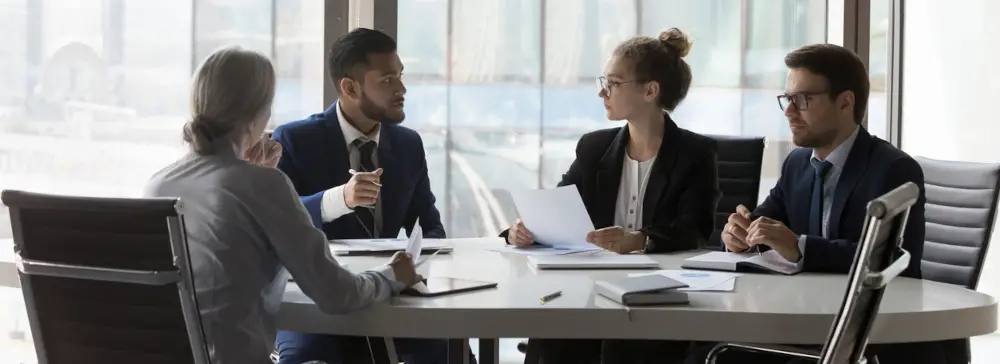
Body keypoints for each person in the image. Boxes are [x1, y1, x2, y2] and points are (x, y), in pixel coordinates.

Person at [144, 46, 421, 364]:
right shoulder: (261, 185)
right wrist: (392, 275)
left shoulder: (158, 184)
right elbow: (336, 295)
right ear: (258, 112)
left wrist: (255, 174)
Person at [685, 44, 943, 364]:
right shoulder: (797, 163)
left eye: (802, 99)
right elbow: (765, 220)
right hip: (803, 322)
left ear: (845, 102)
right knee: (697, 353)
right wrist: (740, 234)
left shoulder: (894, 169)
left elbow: (892, 258)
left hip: (866, 338)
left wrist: (800, 247)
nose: (788, 111)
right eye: (787, 99)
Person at [504, 28, 720, 364]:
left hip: (660, 295)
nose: (602, 92)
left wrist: (639, 239)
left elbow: (695, 229)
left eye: (614, 83)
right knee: (553, 333)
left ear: (650, 91)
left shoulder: (696, 153)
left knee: (624, 348)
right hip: (591, 287)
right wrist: (522, 229)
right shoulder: (594, 147)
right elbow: (559, 209)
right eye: (603, 81)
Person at [271, 28, 463, 364]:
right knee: (304, 357)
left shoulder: (408, 144)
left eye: (400, 76)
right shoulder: (295, 140)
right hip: (316, 297)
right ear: (350, 87)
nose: (401, 89)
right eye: (387, 80)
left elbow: (430, 227)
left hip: (390, 291)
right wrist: (339, 199)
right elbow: (278, 223)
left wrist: (415, 267)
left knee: (451, 350)